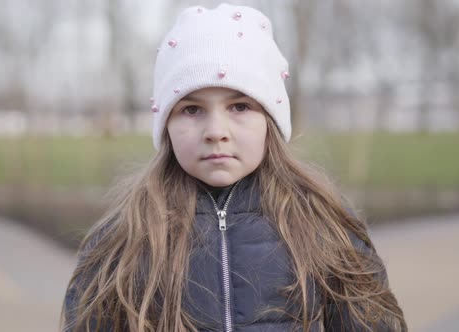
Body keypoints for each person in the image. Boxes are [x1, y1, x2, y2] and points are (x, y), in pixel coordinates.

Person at [61, 3, 406, 331]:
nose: (216, 132)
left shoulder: (323, 225)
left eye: (239, 107)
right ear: (165, 123)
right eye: (191, 109)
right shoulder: (126, 239)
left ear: (270, 120)